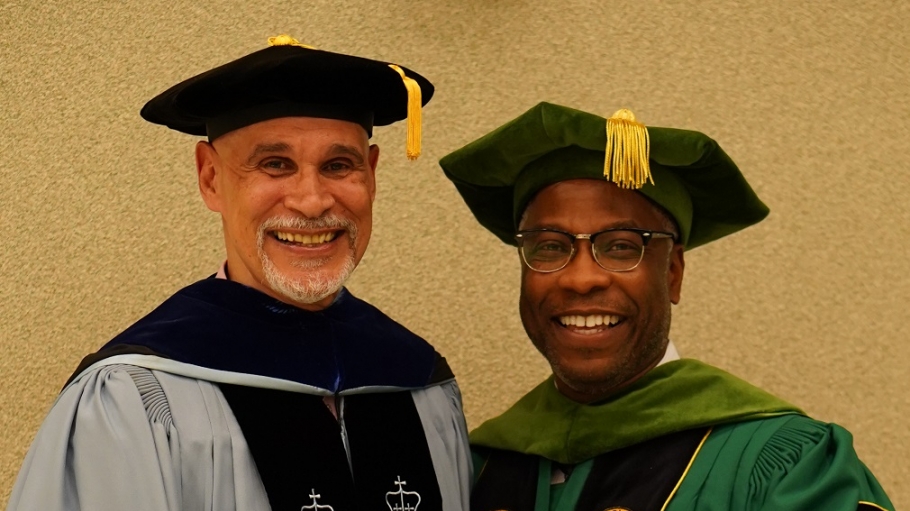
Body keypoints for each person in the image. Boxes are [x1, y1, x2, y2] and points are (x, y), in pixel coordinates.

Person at [7, 35, 471, 511]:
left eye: (338, 165)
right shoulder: (132, 399)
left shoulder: (419, 382)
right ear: (210, 179)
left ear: (371, 176)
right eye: (275, 165)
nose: (312, 201)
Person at [438, 102, 892, 511]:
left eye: (619, 246)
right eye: (550, 247)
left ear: (673, 272)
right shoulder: (478, 470)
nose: (581, 279)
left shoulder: (786, 463)